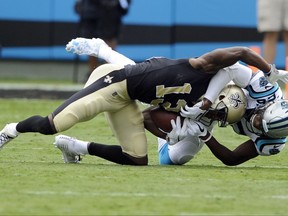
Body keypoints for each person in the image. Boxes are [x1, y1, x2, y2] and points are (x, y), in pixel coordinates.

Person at [0, 37, 285, 166]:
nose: (256, 123)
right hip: (120, 83)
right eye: (259, 118)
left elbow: (233, 159)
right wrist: (209, 101)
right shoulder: (214, 75)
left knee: (156, 159)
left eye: (260, 126)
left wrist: (202, 131)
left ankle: (77, 147)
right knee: (54, 123)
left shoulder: (272, 139)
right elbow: (232, 66)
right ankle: (10, 130)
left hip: (166, 103)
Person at [75, 0, 131, 74]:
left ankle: (108, 75)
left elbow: (124, 5)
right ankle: (93, 74)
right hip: (91, 15)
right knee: (91, 45)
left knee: (109, 43)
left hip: (111, 15)